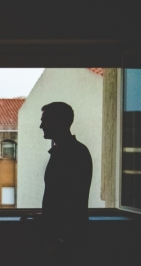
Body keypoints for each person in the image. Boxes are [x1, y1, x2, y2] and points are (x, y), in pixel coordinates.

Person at [22, 102, 92, 244]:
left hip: (66, 238)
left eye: (45, 121)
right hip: (63, 235)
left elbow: (71, 203)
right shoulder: (71, 151)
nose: (41, 126)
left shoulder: (74, 154)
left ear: (59, 122)